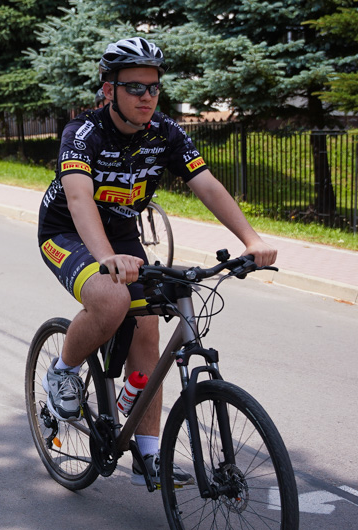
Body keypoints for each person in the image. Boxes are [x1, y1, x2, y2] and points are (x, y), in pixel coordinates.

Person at [37, 37, 277, 487]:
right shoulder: (83, 133)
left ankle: (148, 454)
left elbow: (205, 184)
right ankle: (63, 372)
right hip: (69, 231)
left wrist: (250, 239)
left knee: (148, 326)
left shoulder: (165, 132)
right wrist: (105, 257)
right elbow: (78, 196)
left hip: (123, 236)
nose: (147, 97)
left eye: (153, 88)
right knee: (110, 300)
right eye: (135, 88)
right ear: (108, 90)